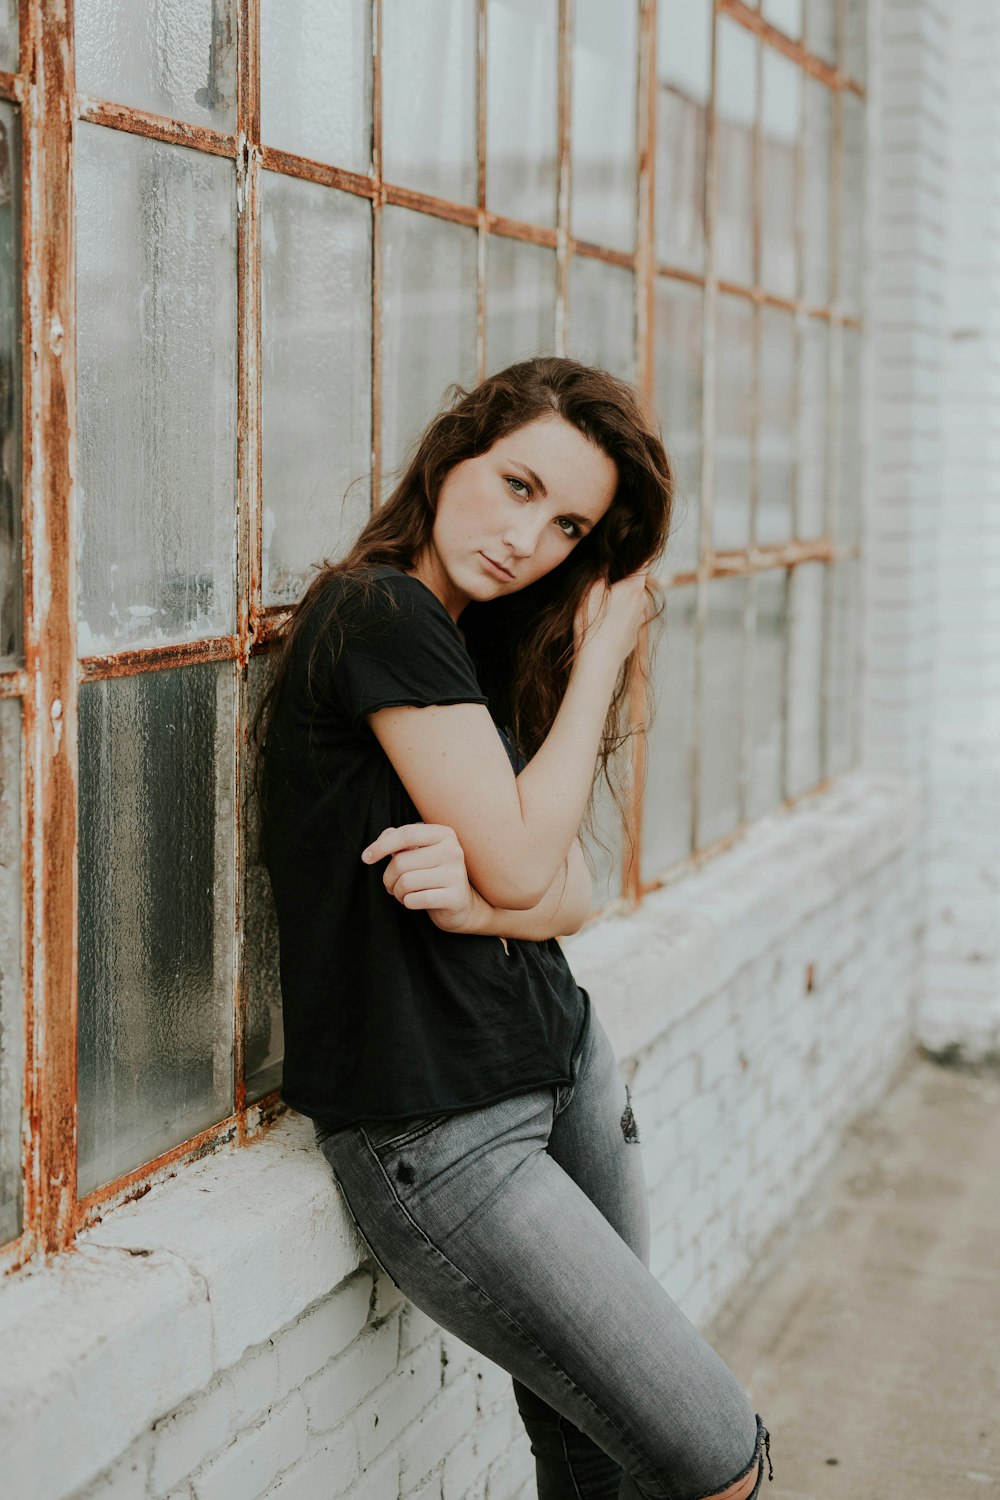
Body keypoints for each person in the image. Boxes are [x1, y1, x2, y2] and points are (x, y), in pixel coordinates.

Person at [259, 357, 772, 1500]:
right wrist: (601, 654)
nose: (526, 537)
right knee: (712, 1453)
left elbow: (571, 891)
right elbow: (535, 858)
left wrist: (489, 896)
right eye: (517, 485)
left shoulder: (470, 638)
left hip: (561, 1062)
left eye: (568, 525)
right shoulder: (378, 608)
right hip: (439, 1134)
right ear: (454, 454)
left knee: (593, 1446)